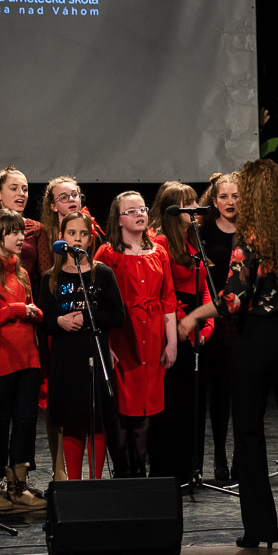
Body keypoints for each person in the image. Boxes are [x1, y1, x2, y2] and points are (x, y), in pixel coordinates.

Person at [179, 159, 278, 549]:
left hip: (258, 339)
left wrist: (194, 316)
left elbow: (233, 298)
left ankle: (261, 529)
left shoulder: (248, 237)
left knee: (249, 433)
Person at [95, 191, 177, 477]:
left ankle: (139, 467)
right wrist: (105, 345)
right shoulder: (107, 254)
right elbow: (97, 302)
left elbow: (168, 299)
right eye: (131, 211)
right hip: (122, 336)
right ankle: (122, 469)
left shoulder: (159, 252)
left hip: (152, 337)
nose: (140, 214)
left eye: (142, 209)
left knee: (146, 405)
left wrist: (172, 343)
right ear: (118, 220)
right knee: (121, 407)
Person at [39, 212, 125, 480]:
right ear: (61, 237)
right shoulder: (50, 277)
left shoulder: (102, 273)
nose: (77, 238)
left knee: (96, 421)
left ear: (90, 239)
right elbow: (43, 320)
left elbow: (117, 316)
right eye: (71, 233)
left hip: (94, 352)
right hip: (65, 358)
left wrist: (87, 317)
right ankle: (74, 484)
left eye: (83, 234)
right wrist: (60, 321)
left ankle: (95, 482)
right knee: (72, 421)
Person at [0, 208, 45, 511]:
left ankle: (19, 485)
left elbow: (31, 306)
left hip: (28, 354)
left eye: (22, 231)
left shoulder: (20, 270)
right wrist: (19, 310)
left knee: (26, 420)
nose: (21, 237)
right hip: (1, 356)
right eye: (14, 232)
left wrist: (34, 312)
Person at [150, 181, 214, 486]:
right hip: (173, 325)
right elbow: (166, 292)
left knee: (192, 400)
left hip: (194, 322)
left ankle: (190, 468)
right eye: (187, 204)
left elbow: (204, 287)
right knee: (173, 402)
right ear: (174, 210)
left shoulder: (194, 240)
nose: (194, 210)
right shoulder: (160, 243)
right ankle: (169, 470)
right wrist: (182, 325)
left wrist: (208, 324)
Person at [197, 172, 238, 480]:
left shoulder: (252, 232)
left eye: (235, 196)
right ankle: (220, 456)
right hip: (217, 318)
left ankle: (241, 457)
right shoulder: (204, 233)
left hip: (246, 320)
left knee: (244, 392)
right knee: (220, 392)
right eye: (223, 196)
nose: (230, 202)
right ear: (214, 201)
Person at [0, 167, 50, 302]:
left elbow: (45, 276)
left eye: (25, 189)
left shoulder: (37, 229)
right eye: (14, 189)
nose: (21, 193)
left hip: (31, 300)